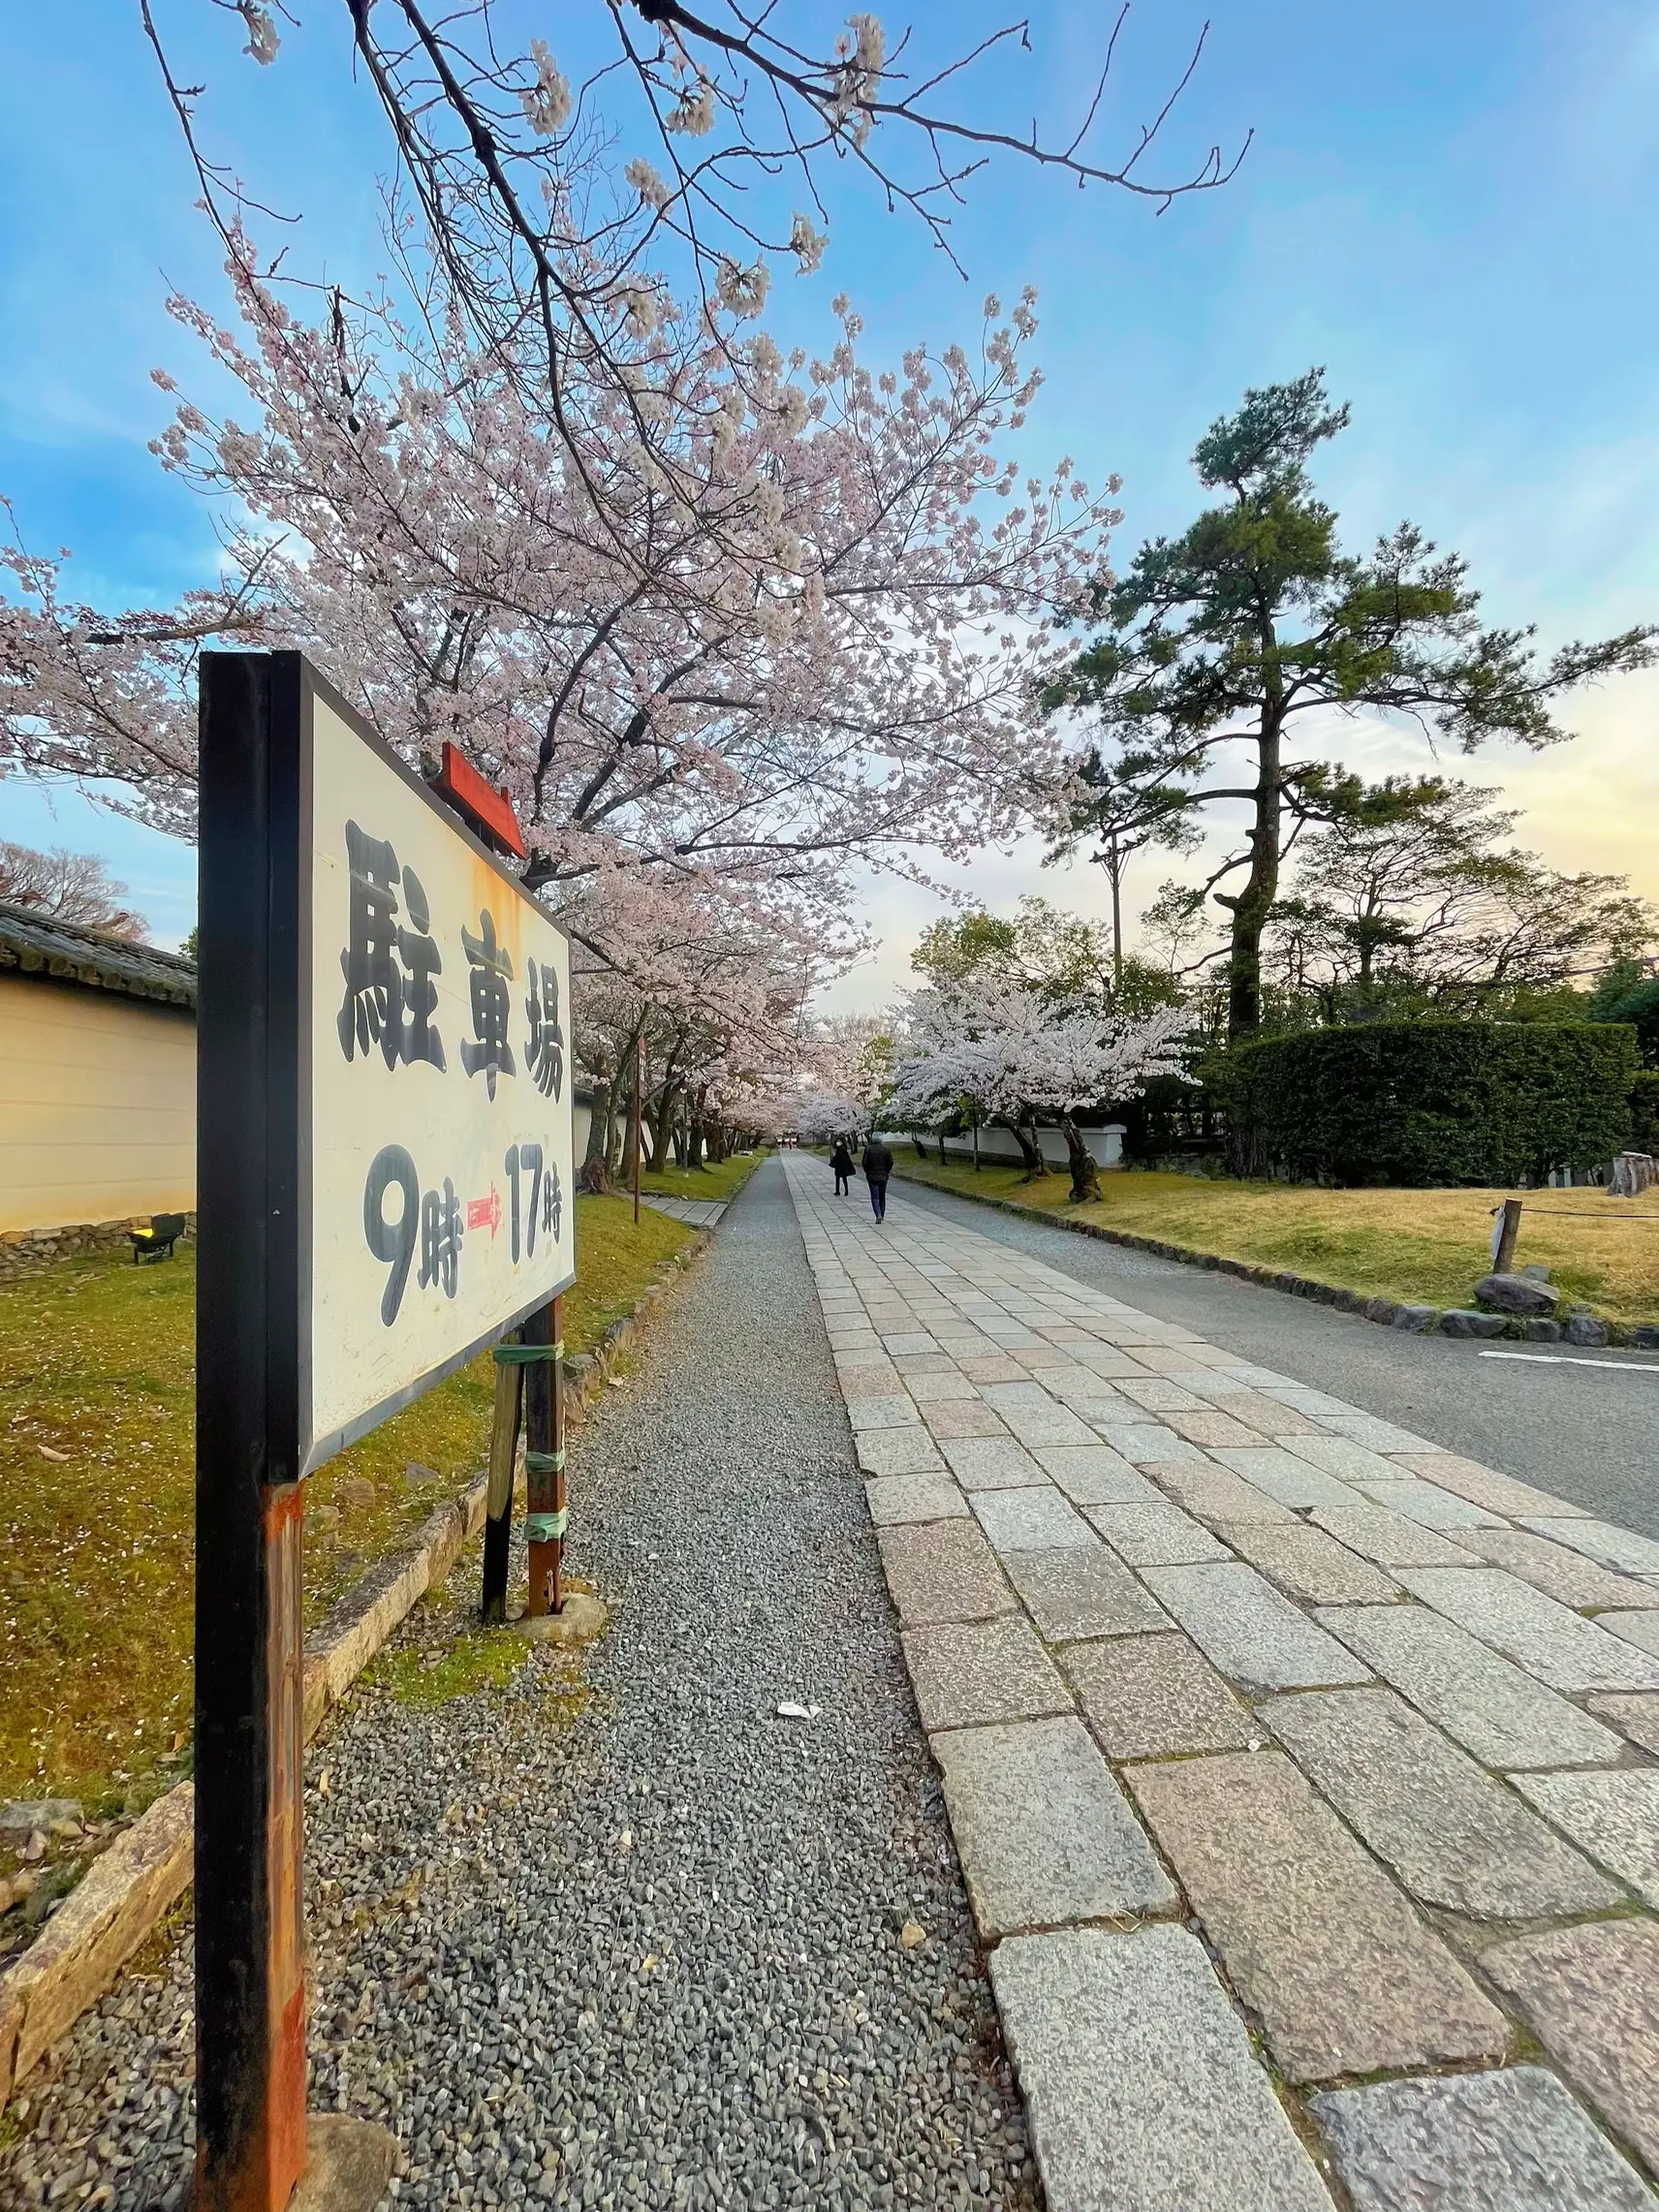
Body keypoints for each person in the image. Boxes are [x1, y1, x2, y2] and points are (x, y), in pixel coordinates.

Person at [861, 1133, 894, 1223]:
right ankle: (882, 1214)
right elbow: (890, 1162)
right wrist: (886, 1171)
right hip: (883, 1176)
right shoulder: (886, 1150)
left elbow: (864, 1162)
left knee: (874, 1197)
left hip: (872, 1177)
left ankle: (878, 1214)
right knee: (882, 1196)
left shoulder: (868, 1149)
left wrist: (868, 1171)